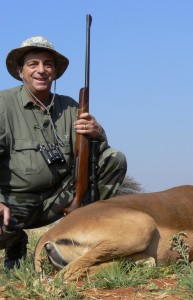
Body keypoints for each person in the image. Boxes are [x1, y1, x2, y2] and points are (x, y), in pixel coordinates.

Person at [0, 36, 127, 269]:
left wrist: (97, 133)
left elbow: (98, 154)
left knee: (115, 159)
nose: (41, 70)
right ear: (20, 71)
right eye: (33, 64)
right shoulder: (3, 104)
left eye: (48, 64)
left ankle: (93, 236)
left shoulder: (70, 106)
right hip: (14, 200)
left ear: (55, 72)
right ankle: (15, 242)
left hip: (60, 196)